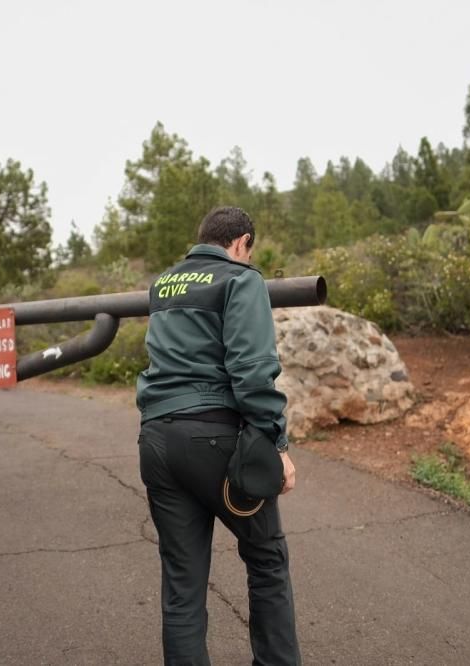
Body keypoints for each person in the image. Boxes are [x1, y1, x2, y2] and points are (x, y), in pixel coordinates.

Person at [136, 206, 301, 665]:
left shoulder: (163, 284)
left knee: (183, 582)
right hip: (213, 439)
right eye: (249, 251)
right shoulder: (240, 279)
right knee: (266, 560)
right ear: (242, 242)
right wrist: (277, 446)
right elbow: (252, 372)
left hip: (156, 439)